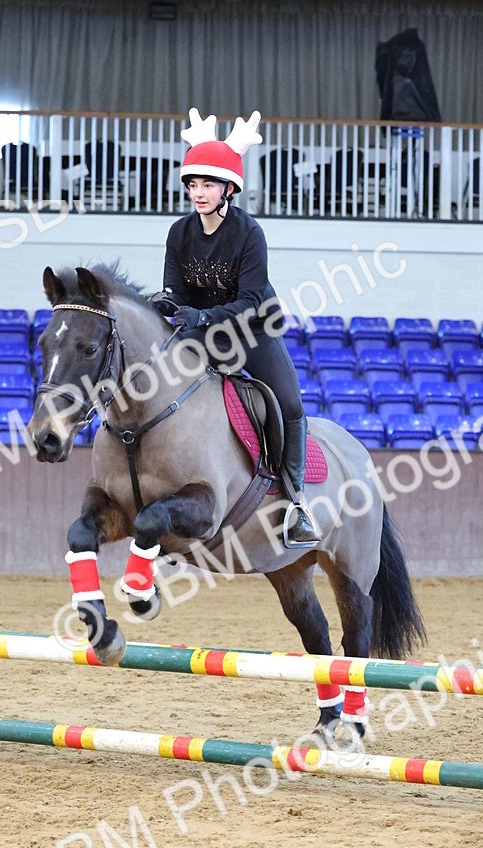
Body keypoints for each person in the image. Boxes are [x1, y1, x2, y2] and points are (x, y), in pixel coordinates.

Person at [152, 108, 318, 547]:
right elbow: (176, 291)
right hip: (204, 335)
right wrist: (163, 303)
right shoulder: (179, 231)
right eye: (193, 184)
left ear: (228, 189)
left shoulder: (250, 233)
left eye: (208, 185)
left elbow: (247, 300)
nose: (198, 192)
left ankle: (297, 503)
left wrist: (201, 316)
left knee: (290, 403)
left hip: (252, 331)